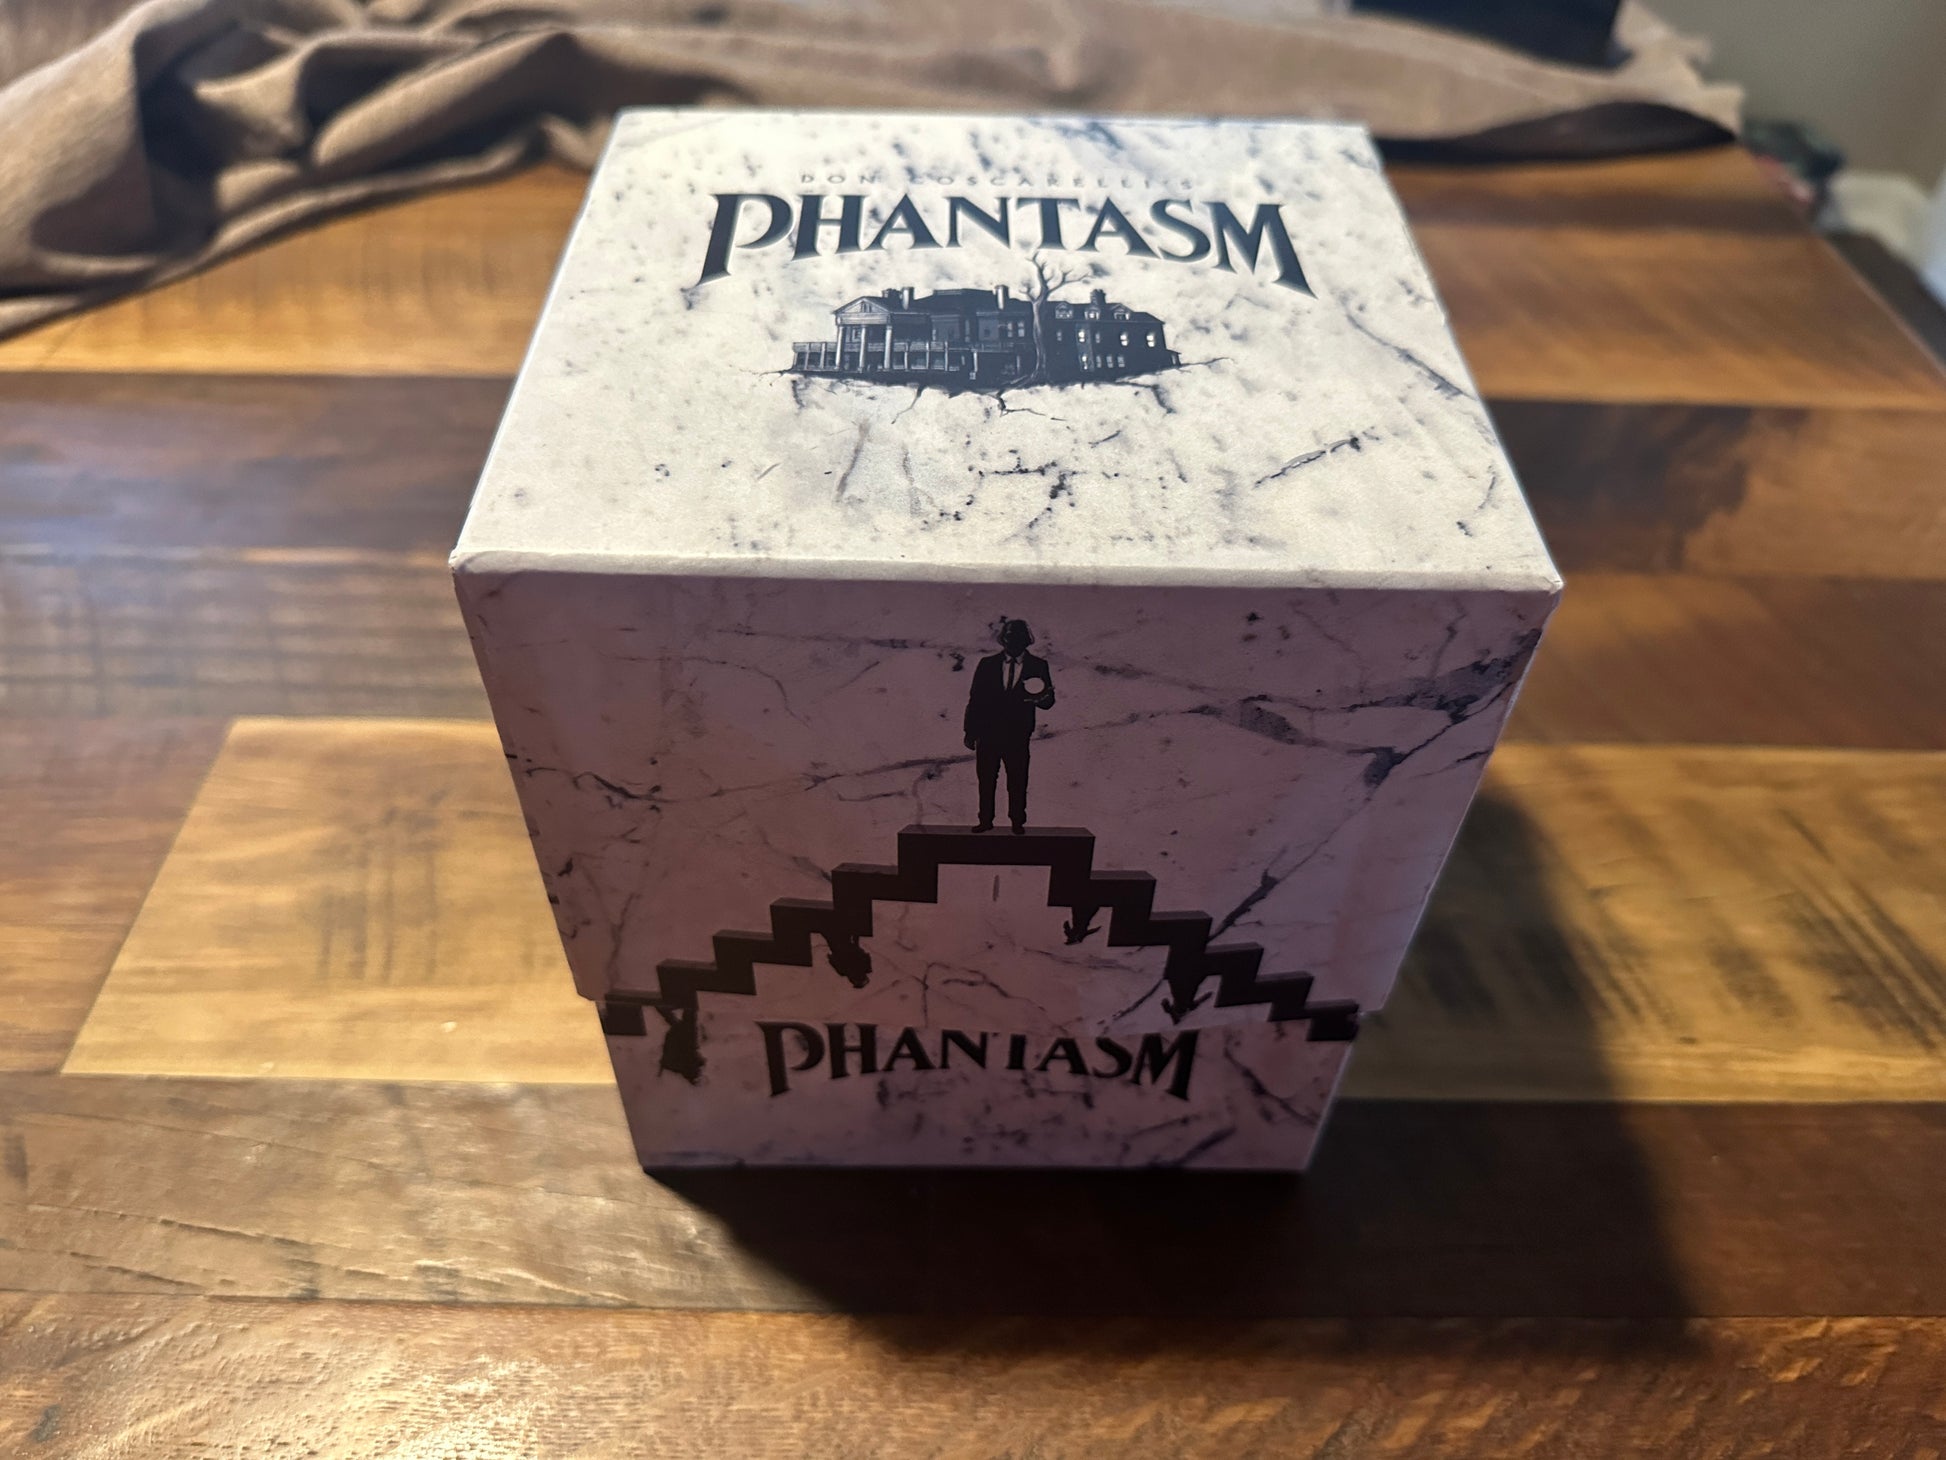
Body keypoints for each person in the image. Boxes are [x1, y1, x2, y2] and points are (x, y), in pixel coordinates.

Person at [963, 619, 1055, 833]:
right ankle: (985, 820)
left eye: (1019, 638)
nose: (1013, 642)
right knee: (986, 779)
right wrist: (970, 731)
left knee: (1018, 779)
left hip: (1017, 734)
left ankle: (1017, 821)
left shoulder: (1038, 665)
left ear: (1027, 640)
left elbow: (1048, 701)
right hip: (987, 733)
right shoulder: (987, 664)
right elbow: (975, 699)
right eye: (1010, 637)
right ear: (1003, 639)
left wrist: (1035, 696)